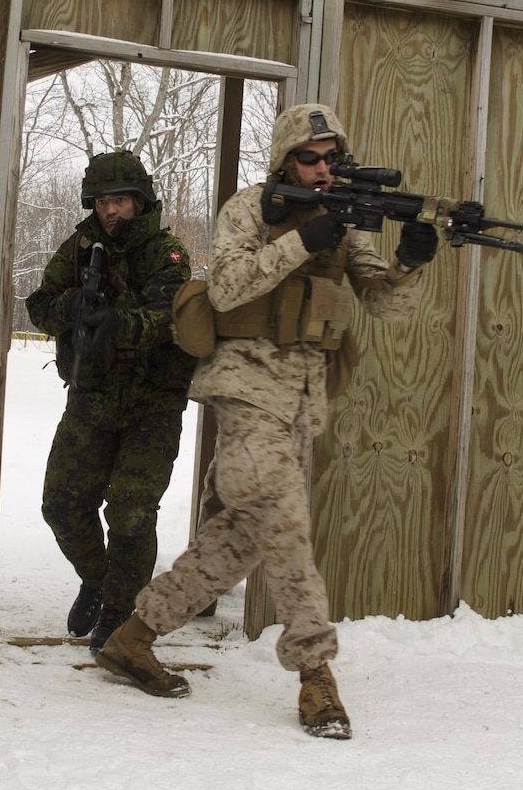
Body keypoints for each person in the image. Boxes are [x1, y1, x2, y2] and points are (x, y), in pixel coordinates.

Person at [95, 104, 438, 739]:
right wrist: (304, 239)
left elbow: (385, 306)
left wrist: (409, 266)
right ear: (285, 159)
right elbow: (226, 288)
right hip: (247, 389)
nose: (323, 169)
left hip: (304, 399)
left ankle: (132, 638)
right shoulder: (251, 208)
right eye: (310, 157)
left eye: (332, 158)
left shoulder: (347, 218)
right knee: (286, 518)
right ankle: (316, 678)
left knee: (241, 542)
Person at [26, 150, 196, 654]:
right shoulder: (79, 248)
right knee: (62, 504)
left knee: (130, 512)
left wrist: (118, 323)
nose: (111, 211)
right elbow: (39, 306)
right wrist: (70, 306)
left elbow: (168, 316)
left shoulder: (166, 252)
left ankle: (122, 611)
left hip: (151, 404)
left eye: (120, 200)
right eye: (102, 203)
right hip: (92, 397)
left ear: (139, 201)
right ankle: (98, 581)